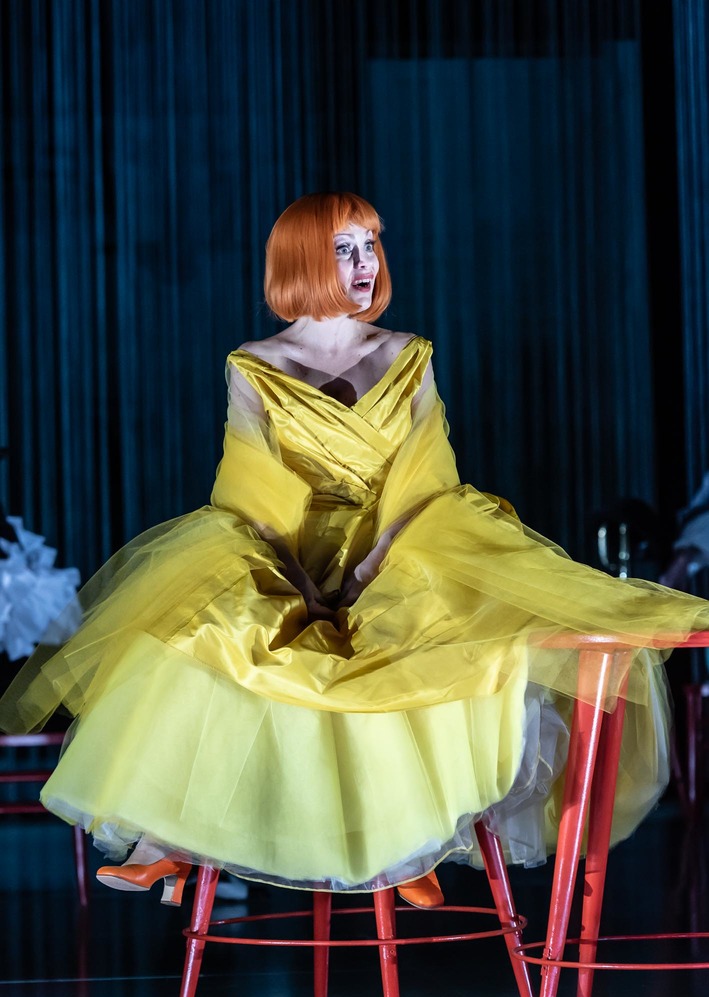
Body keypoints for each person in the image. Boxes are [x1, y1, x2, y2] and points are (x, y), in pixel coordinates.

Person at [2, 191, 709, 912]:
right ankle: (168, 841)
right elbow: (250, 491)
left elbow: (427, 482)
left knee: (432, 635)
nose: (364, 262)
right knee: (212, 639)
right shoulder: (255, 365)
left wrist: (373, 570)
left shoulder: (406, 355)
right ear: (302, 259)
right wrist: (300, 585)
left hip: (400, 545)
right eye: (344, 248)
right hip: (288, 550)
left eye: (370, 244)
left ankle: (411, 839)